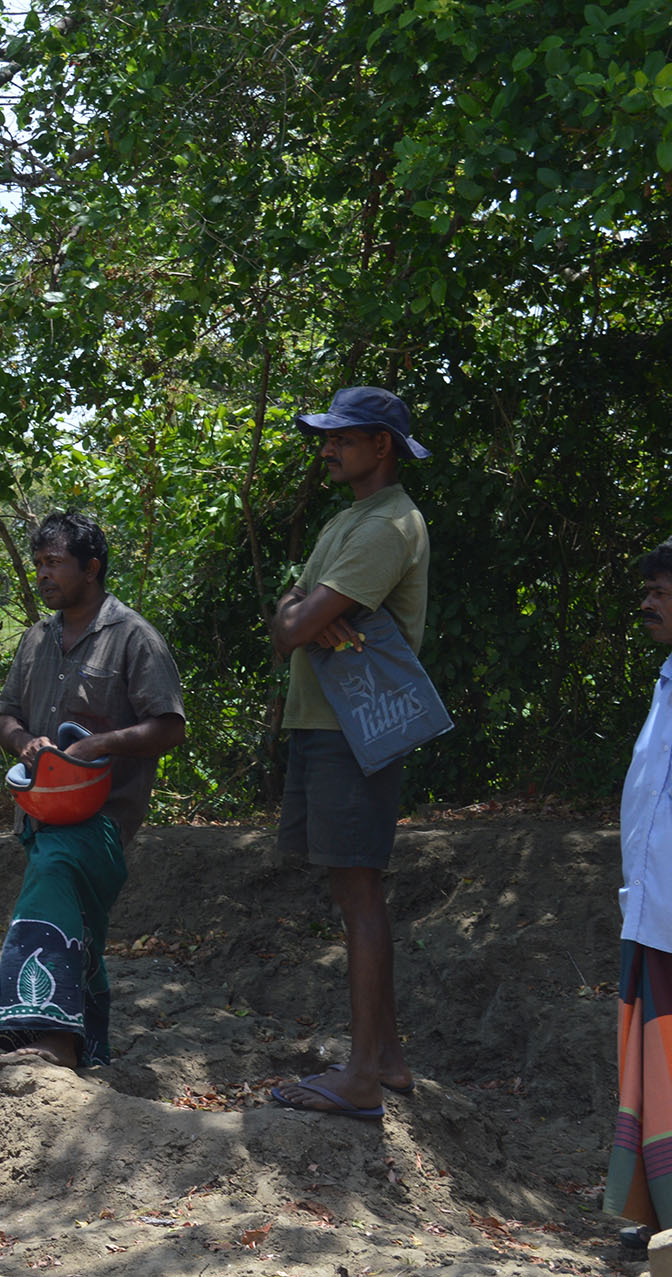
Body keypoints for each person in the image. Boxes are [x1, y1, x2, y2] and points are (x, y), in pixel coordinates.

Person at [267, 386, 431, 1120]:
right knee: (348, 889)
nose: (328, 449)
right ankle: (385, 1059)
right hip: (322, 724)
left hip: (353, 732)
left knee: (360, 892)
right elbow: (285, 622)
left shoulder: (389, 524)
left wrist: (305, 617)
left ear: (382, 445)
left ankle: (363, 1076)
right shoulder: (346, 519)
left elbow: (300, 618)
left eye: (343, 438)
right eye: (327, 438)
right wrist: (303, 616)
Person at [0, 512, 186, 1069]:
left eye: (54, 564)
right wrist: (24, 741)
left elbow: (170, 727)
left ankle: (47, 1036)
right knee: (79, 928)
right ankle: (88, 1049)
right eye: (38, 564)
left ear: (91, 568)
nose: (43, 575)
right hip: (38, 813)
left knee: (52, 886)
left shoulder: (134, 639)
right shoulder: (36, 638)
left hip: (100, 821)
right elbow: (5, 715)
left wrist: (100, 744)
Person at [606, 533, 672, 1245]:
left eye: (662, 589)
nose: (648, 601)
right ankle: (662, 1217)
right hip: (653, 913)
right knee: (655, 1075)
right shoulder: (669, 680)